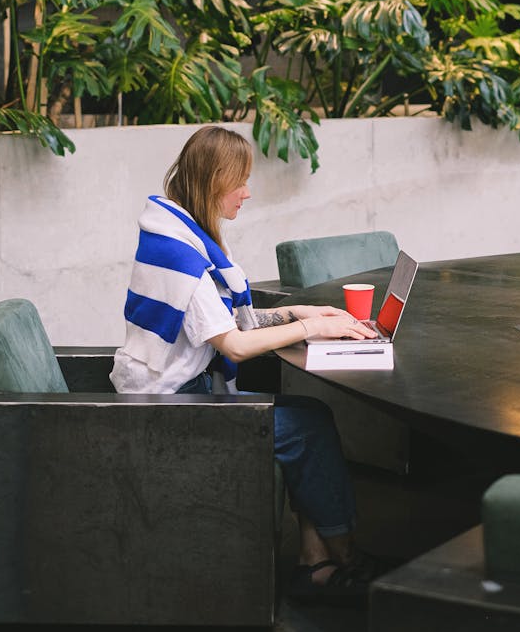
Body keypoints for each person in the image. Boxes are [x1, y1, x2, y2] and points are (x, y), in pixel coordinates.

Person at [110, 124, 381, 604]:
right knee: (307, 425)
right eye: (241, 181)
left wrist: (297, 312)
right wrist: (310, 329)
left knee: (307, 419)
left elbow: (224, 323)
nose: (248, 193)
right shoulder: (184, 256)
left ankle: (316, 560)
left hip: (176, 389)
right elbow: (233, 344)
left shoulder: (177, 235)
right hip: (169, 408)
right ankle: (342, 552)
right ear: (215, 181)